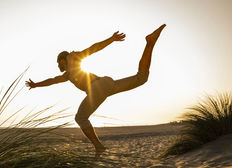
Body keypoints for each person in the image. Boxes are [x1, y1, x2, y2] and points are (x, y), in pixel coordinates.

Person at [26, 24, 166, 157]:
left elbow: (92, 49)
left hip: (98, 87)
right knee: (141, 78)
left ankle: (99, 146)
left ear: (62, 59)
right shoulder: (68, 74)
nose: (58, 65)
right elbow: (52, 80)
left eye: (58, 63)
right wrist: (36, 85)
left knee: (80, 118)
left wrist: (111, 39)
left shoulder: (72, 57)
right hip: (106, 85)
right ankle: (150, 42)